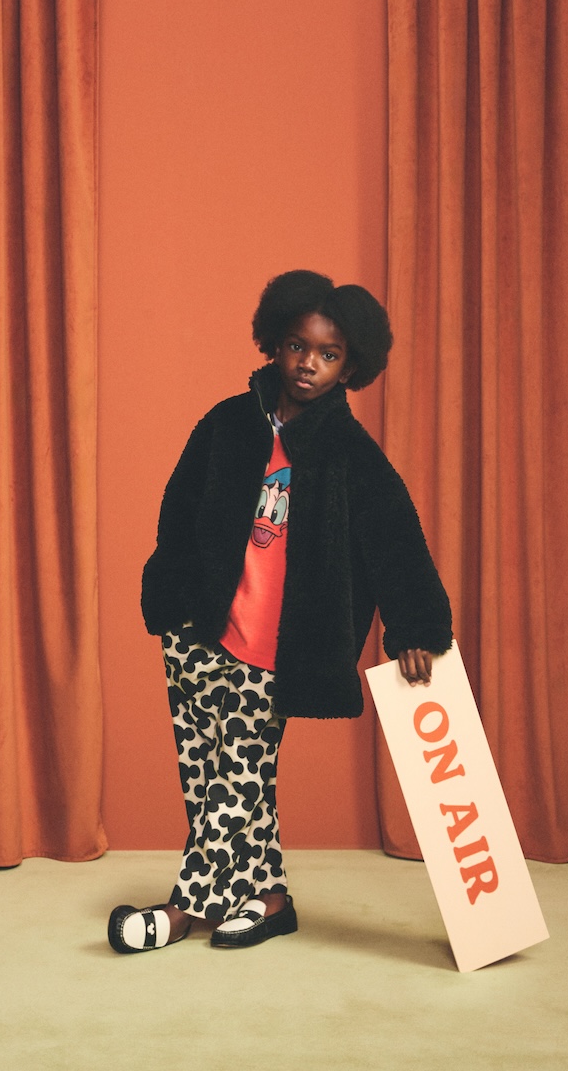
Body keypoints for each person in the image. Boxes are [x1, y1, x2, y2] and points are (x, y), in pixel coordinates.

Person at [108, 270, 452, 954]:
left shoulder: (353, 457)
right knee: (210, 780)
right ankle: (268, 899)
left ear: (351, 366)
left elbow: (395, 540)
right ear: (274, 343)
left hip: (274, 651)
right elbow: (177, 512)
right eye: (298, 346)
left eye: (328, 354)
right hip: (198, 633)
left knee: (235, 782)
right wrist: (171, 601)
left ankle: (182, 911)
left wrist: (415, 627)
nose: (308, 364)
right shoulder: (227, 424)